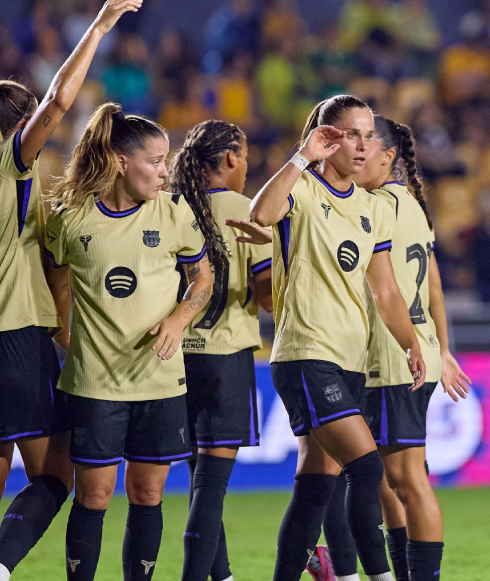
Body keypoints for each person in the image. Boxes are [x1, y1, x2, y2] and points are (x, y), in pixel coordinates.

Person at [0, 2, 141, 580]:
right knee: (56, 476)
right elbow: (58, 101)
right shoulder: (7, 166)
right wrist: (99, 27)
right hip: (11, 340)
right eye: (28, 123)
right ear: (14, 128)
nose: (41, 130)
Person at [245, 94, 424, 581]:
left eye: (369, 135)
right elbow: (261, 215)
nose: (363, 145)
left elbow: (386, 290)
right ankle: (379, 577)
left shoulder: (373, 207)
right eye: (351, 134)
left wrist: (411, 343)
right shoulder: (302, 188)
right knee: (367, 470)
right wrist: (303, 155)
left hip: (351, 362)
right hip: (306, 354)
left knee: (314, 486)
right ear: (327, 137)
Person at [43, 102, 213, 581]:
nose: (165, 172)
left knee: (147, 495)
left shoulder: (175, 213)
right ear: (121, 161)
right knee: (93, 496)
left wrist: (179, 320)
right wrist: (63, 331)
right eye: (155, 162)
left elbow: (202, 279)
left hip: (160, 383)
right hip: (96, 385)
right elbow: (55, 279)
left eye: (166, 161)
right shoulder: (71, 217)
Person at [312, 116, 472, 581]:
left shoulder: (374, 207)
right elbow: (436, 287)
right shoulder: (411, 205)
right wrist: (442, 348)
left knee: (405, 480)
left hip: (391, 358)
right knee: (385, 482)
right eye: (350, 142)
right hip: (408, 354)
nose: (356, 153)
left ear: (388, 158)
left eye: (366, 145)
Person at [168, 119, 273, 581]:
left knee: (198, 483)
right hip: (225, 355)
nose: (247, 166)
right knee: (210, 487)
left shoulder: (169, 208)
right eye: (245, 156)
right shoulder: (244, 210)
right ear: (230, 158)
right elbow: (269, 295)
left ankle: (222, 576)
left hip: (174, 358)